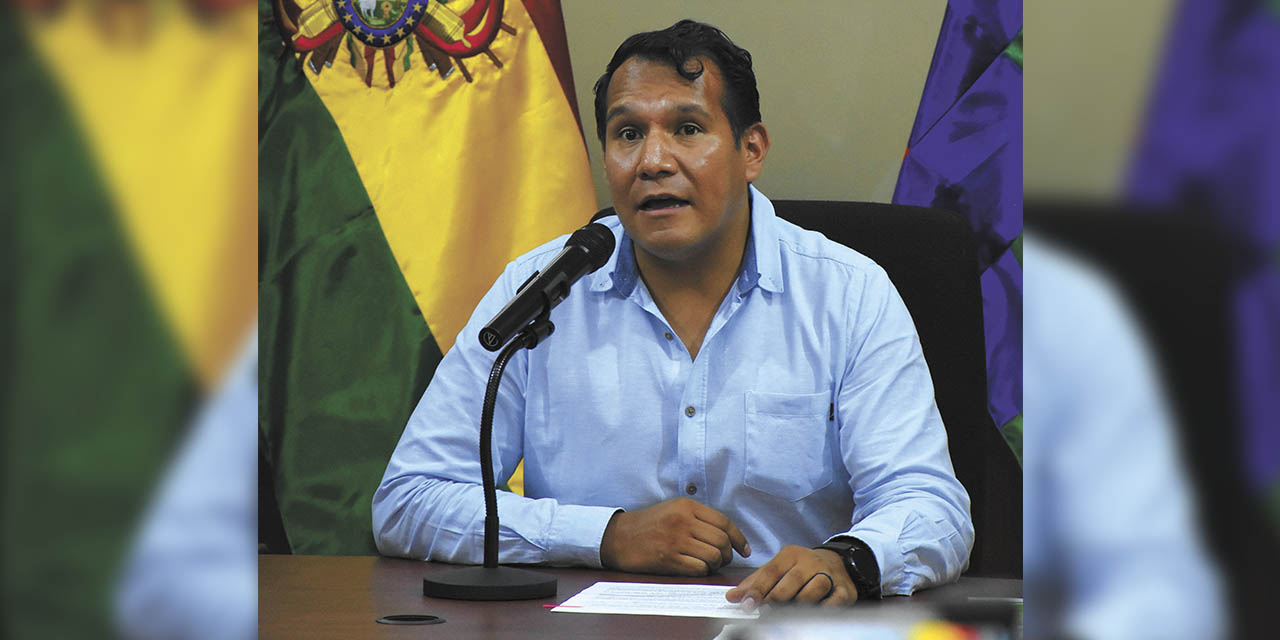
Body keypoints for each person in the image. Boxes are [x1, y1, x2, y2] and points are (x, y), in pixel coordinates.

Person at [373, 20, 973, 606]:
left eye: (687, 128)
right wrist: (605, 535)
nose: (652, 161)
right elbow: (408, 500)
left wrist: (849, 559)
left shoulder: (848, 294)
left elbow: (929, 504)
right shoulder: (543, 289)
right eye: (627, 134)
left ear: (751, 149)